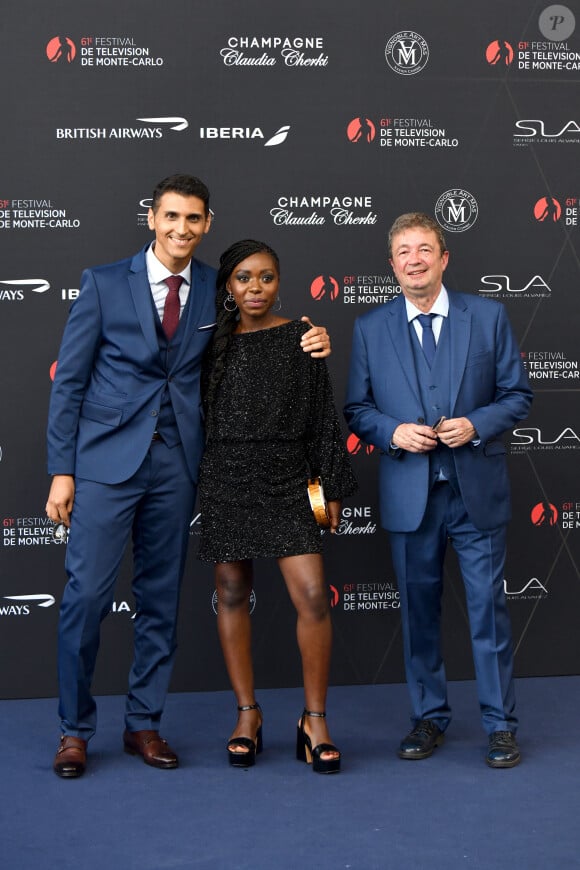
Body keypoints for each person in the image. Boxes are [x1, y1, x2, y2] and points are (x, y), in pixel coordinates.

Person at [45, 175, 331, 778]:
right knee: (87, 597)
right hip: (102, 465)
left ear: (207, 224)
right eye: (171, 217)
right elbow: (68, 382)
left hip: (178, 465)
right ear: (151, 218)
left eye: (193, 219)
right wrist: (62, 472)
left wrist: (312, 338)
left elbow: (257, 334)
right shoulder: (101, 283)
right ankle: (74, 729)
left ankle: (144, 724)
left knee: (158, 600)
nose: (181, 229)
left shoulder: (214, 288)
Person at [344, 212, 533, 768]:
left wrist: (476, 423)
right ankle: (429, 717)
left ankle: (500, 725)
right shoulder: (370, 328)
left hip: (475, 491)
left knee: (488, 612)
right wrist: (392, 431)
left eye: (425, 249)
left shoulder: (488, 316)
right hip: (411, 493)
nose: (415, 260)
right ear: (392, 265)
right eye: (404, 252)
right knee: (419, 614)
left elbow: (517, 396)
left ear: (444, 258)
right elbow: (358, 410)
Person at [198, 239, 357, 773]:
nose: (256, 288)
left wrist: (330, 487)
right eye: (244, 278)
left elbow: (322, 418)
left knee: (313, 594)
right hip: (226, 476)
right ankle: (248, 715)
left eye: (266, 277)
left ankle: (315, 720)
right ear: (228, 286)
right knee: (231, 590)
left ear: (279, 281)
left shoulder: (302, 338)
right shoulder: (210, 346)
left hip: (291, 478)